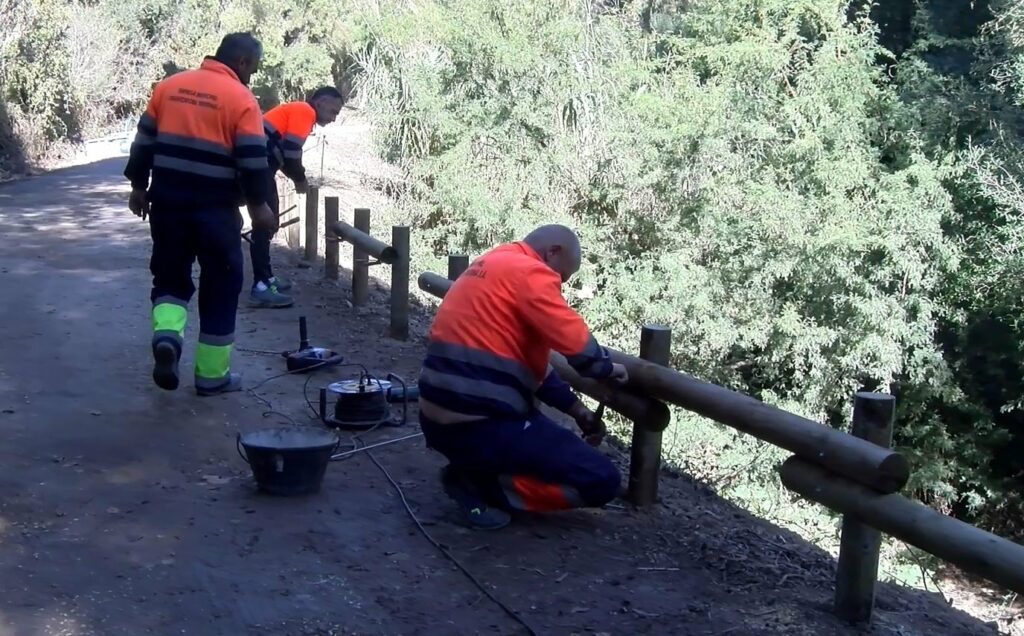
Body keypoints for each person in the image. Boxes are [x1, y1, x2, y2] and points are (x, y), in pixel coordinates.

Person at [417, 224, 630, 529]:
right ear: (552, 252)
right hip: (482, 424)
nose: (560, 286)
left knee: (544, 439)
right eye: (562, 277)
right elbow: (576, 344)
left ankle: (474, 469)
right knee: (601, 481)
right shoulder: (531, 272)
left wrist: (577, 410)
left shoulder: (492, 263)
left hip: (439, 422)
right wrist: (607, 368)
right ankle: (478, 485)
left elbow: (530, 366)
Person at [124, 32, 275, 396]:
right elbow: (253, 161)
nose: (251, 76)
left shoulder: (169, 87)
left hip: (167, 204)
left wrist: (138, 187)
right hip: (216, 210)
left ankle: (167, 338)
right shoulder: (241, 98)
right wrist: (259, 207)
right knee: (221, 287)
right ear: (241, 62)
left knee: (170, 277)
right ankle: (211, 377)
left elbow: (143, 141)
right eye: (252, 68)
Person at [249, 86, 345, 308]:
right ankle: (261, 286)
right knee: (265, 223)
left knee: (269, 221)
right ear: (319, 103)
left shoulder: (299, 112)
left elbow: (283, 154)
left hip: (260, 164)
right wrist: (300, 180)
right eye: (333, 111)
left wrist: (296, 176)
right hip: (257, 165)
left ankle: (267, 278)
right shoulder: (305, 111)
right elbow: (292, 155)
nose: (333, 118)